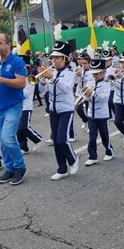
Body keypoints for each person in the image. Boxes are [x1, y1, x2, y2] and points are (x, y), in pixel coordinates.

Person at [0, 33, 28, 186]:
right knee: (1, 141)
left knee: (8, 138)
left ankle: (20, 167)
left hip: (13, 105)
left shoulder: (16, 61)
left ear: (8, 44)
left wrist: (1, 79)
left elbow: (22, 83)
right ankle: (9, 169)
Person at [38, 40, 79, 180]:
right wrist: (43, 81)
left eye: (56, 58)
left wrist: (52, 77)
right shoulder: (52, 72)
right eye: (53, 58)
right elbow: (44, 92)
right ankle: (62, 169)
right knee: (56, 140)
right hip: (53, 110)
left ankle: (73, 159)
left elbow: (66, 89)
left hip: (66, 109)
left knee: (62, 139)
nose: (53, 60)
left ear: (64, 59)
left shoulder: (69, 73)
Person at [83, 59, 113, 166]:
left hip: (102, 115)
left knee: (105, 135)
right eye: (93, 73)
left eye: (97, 73)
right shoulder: (90, 82)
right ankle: (92, 156)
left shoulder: (106, 84)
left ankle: (109, 151)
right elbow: (86, 98)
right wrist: (84, 96)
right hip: (91, 114)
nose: (94, 76)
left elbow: (104, 98)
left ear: (103, 72)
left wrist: (93, 93)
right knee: (92, 136)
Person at [17, 57, 43, 154]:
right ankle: (23, 147)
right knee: (18, 129)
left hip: (26, 107)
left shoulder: (30, 78)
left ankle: (37, 139)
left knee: (24, 127)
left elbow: (26, 93)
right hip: (17, 107)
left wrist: (14, 90)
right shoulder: (17, 77)